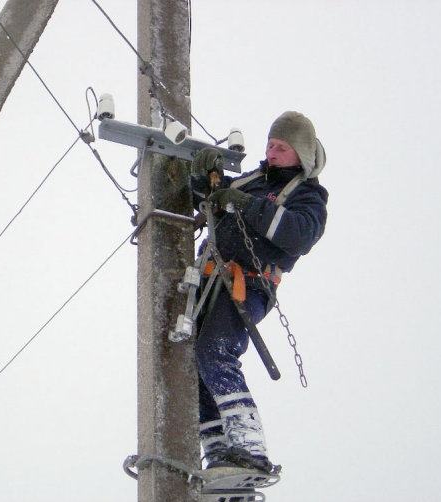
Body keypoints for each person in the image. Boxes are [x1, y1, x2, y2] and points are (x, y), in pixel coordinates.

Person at [190, 111, 328, 473]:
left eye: (282, 147)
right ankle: (220, 454)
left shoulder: (308, 197)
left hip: (248, 282)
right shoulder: (251, 181)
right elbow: (207, 200)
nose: (272, 152)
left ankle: (249, 447)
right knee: (196, 363)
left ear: (302, 155)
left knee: (215, 350)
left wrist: (247, 205)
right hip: (210, 277)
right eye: (270, 145)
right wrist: (202, 177)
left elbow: (298, 234)